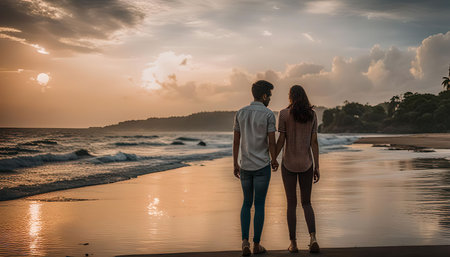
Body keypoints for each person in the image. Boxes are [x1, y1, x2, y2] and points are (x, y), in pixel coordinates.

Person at [233, 80, 279, 256]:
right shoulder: (268, 114)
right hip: (262, 166)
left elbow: (236, 140)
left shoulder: (241, 113)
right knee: (259, 205)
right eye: (270, 95)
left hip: (245, 165)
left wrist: (234, 163)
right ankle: (256, 245)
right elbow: (271, 141)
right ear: (264, 95)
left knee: (246, 203)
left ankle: (244, 242)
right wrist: (274, 159)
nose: (271, 99)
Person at [275, 85, 320, 253]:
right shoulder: (312, 115)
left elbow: (281, 140)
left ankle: (293, 243)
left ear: (290, 97)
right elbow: (314, 143)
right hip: (307, 164)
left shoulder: (284, 114)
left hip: (288, 164)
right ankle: (313, 237)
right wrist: (317, 166)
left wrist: (273, 158)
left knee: (291, 204)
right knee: (307, 202)